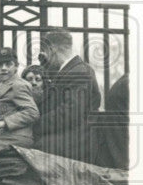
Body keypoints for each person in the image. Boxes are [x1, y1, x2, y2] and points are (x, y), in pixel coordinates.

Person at [37, 28, 102, 163]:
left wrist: (35, 125)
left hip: (77, 142)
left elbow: (70, 112)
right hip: (73, 138)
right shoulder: (72, 69)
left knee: (30, 149)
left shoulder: (78, 71)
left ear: (52, 49)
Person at [0, 47, 40, 152]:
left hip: (17, 137)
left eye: (8, 64)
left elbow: (32, 112)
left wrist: (4, 123)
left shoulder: (18, 85)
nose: (4, 68)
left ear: (16, 67)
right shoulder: (0, 85)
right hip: (6, 137)